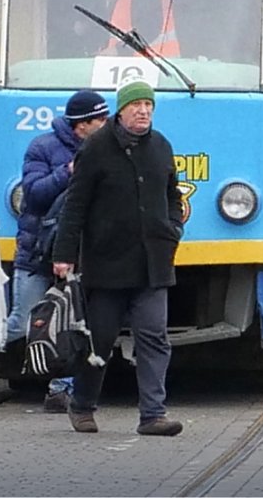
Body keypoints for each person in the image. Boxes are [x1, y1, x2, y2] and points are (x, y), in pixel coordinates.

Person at [0, 90, 109, 402]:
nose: (106, 124)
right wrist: (68, 173)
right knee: (23, 322)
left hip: (80, 252)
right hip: (38, 249)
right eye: (100, 120)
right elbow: (34, 195)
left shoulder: (105, 150)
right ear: (82, 125)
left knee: (73, 324)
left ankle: (59, 390)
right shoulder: (43, 147)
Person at [52, 80, 184, 437]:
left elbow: (173, 193)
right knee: (100, 341)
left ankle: (153, 415)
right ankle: (82, 405)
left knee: (154, 337)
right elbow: (75, 205)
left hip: (153, 262)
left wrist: (173, 228)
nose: (144, 111)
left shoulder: (160, 146)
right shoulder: (96, 148)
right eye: (137, 105)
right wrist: (64, 255)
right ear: (121, 111)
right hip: (106, 264)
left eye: (149, 106)